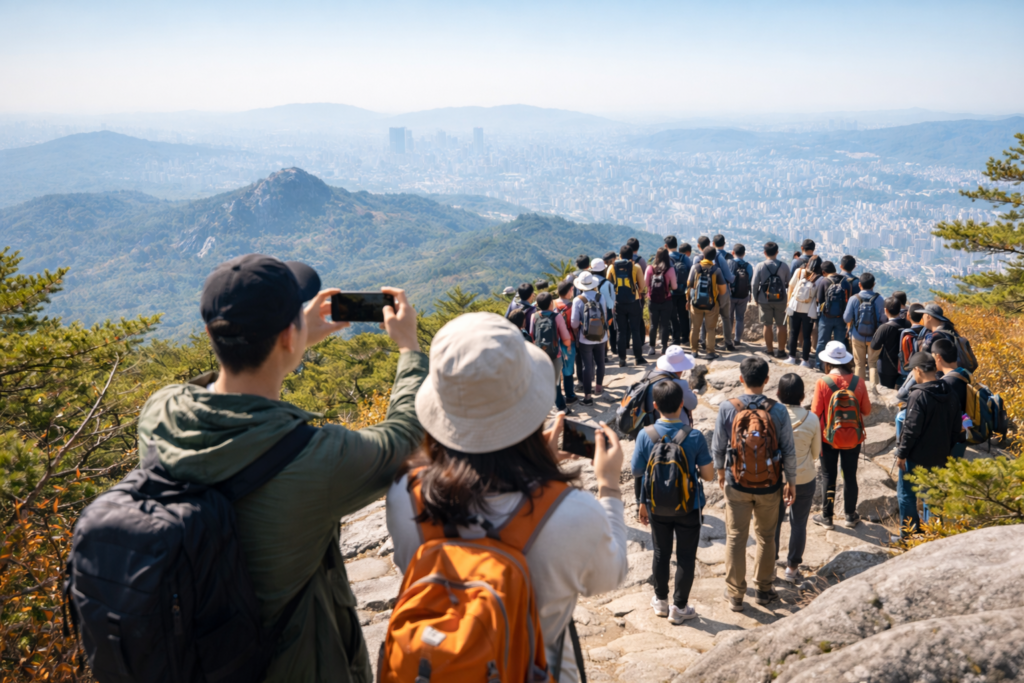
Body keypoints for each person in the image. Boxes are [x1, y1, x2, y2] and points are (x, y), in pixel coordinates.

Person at [137, 254, 425, 683]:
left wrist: (288, 341)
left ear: (209, 333)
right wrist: (409, 348)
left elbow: (217, 386)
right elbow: (405, 436)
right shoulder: (315, 458)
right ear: (289, 335)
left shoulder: (160, 414)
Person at [385, 313, 628, 683]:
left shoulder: (406, 493)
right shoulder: (573, 512)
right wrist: (609, 487)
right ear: (528, 403)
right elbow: (609, 578)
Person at [711, 357, 797, 611]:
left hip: (736, 483)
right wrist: (790, 481)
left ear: (741, 379)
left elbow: (717, 446)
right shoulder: (778, 410)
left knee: (736, 537)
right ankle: (763, 589)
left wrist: (719, 473)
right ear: (767, 380)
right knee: (766, 536)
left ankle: (736, 594)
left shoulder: (729, 408)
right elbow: (789, 451)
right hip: (770, 485)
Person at [633, 381, 714, 624]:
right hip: (689, 506)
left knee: (660, 552)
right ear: (682, 404)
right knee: (686, 556)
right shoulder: (695, 436)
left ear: (655, 406)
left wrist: (642, 502)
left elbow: (637, 470)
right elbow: (709, 475)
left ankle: (660, 601)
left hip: (657, 505)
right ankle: (679, 607)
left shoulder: (645, 434)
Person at [893, 351, 962, 536]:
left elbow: (911, 430)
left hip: (916, 456)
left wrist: (901, 454)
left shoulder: (918, 395)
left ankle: (907, 537)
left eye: (913, 372)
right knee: (933, 496)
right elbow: (957, 427)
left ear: (918, 370)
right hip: (940, 455)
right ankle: (933, 534)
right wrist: (946, 450)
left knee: (906, 494)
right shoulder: (950, 391)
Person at [810, 341, 872, 530]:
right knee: (850, 475)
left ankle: (827, 517)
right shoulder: (858, 381)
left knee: (829, 475)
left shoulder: (823, 382)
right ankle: (849, 515)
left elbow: (815, 412)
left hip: (827, 437)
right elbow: (866, 410)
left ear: (828, 363)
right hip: (853, 437)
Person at [773, 373, 820, 583]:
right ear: (803, 395)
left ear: (778, 394)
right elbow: (815, 454)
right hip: (804, 478)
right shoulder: (812, 418)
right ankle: (792, 569)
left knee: (773, 523)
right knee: (799, 523)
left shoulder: (772, 415)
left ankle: (769, 565)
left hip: (776, 479)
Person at [571, 271, 609, 405]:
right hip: (601, 336)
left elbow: (574, 323)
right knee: (600, 362)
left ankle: (587, 397)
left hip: (585, 338)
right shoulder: (601, 297)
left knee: (587, 366)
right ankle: (598, 388)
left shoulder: (578, 300)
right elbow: (604, 314)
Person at [608, 245, 647, 367]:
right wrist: (638, 293)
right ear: (632, 256)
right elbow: (642, 286)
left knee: (621, 331)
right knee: (635, 330)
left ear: (619, 256)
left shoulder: (612, 267)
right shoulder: (636, 267)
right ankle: (638, 357)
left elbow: (609, 284)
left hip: (619, 302)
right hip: (633, 302)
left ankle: (622, 359)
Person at [686, 246, 728, 361]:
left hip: (695, 303)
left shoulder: (695, 267)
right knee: (710, 328)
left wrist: (688, 301)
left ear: (703, 255)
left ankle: (694, 351)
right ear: (714, 257)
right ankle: (710, 352)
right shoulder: (716, 270)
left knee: (695, 328)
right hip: (712, 304)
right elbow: (723, 291)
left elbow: (689, 284)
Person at [843, 271, 885, 385]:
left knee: (859, 364)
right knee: (873, 364)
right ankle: (874, 392)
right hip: (875, 338)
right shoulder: (880, 299)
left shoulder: (854, 298)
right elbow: (884, 319)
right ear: (874, 284)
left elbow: (846, 318)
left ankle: (858, 390)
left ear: (859, 285)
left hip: (857, 336)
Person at [751, 241, 791, 359]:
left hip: (764, 299)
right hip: (781, 299)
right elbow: (789, 283)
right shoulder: (784, 266)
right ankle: (781, 351)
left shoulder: (760, 265)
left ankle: (769, 351)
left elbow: (754, 284)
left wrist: (755, 298)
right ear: (777, 252)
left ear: (764, 253)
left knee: (767, 325)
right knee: (781, 325)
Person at [933, 338, 970, 460]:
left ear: (938, 357)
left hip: (950, 438)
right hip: (963, 431)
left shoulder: (947, 383)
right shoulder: (964, 373)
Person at [536, 292, 573, 413]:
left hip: (540, 354)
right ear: (551, 303)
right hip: (555, 353)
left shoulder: (534, 317)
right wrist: (567, 346)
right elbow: (566, 338)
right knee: (556, 381)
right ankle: (561, 407)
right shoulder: (557, 317)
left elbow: (532, 335)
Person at [699, 234, 735, 352]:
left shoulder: (698, 258)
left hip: (706, 293)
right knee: (726, 317)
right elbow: (729, 278)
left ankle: (704, 341)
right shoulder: (720, 257)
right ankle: (728, 343)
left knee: (706, 317)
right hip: (721, 292)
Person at [646, 345, 700, 426]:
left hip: (649, 424)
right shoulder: (680, 384)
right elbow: (692, 404)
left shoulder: (650, 375)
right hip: (674, 429)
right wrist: (693, 395)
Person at [785, 255, 823, 367]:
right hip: (809, 310)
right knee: (806, 336)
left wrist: (788, 302)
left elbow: (791, 286)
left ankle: (792, 357)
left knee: (793, 333)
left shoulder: (799, 272)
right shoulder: (820, 278)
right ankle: (805, 360)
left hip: (795, 306)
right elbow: (818, 297)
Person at [815, 261, 852, 370]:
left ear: (823, 272)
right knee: (839, 343)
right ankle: (838, 367)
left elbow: (819, 300)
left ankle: (820, 366)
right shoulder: (846, 281)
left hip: (826, 317)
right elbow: (848, 299)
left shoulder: (824, 281)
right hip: (841, 318)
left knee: (822, 342)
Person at [646, 246, 679, 355]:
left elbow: (646, 284)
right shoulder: (670, 269)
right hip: (667, 300)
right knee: (665, 325)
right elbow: (674, 287)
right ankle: (664, 347)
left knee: (653, 325)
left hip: (653, 300)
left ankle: (652, 348)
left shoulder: (650, 268)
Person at [871, 297, 909, 389]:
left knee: (886, 392)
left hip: (887, 366)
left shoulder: (885, 327)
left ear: (886, 310)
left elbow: (874, 346)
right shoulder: (907, 324)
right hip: (905, 365)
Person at [554, 281, 579, 408]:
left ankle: (559, 396)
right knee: (568, 369)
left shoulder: (552, 303)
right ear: (570, 290)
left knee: (558, 368)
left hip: (554, 341)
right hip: (569, 340)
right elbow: (574, 324)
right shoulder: (572, 305)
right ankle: (570, 395)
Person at [665, 237, 692, 347]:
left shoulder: (665, 258)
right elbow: (691, 273)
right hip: (682, 291)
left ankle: (674, 336)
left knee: (671, 315)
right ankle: (685, 336)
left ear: (666, 246)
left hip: (670, 292)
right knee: (683, 315)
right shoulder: (684, 257)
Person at [591, 257, 617, 361]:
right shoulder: (608, 283)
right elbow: (612, 302)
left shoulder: (588, 282)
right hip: (605, 311)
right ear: (603, 270)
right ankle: (604, 355)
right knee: (604, 332)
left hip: (591, 311)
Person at [728, 243, 754, 347]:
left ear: (732, 253)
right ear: (744, 253)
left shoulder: (729, 263)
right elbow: (750, 280)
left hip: (731, 295)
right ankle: (737, 340)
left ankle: (728, 339)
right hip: (743, 295)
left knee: (728, 317)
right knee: (740, 318)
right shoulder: (749, 266)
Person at [602, 251, 620, 355]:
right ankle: (613, 347)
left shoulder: (600, 270)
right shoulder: (613, 268)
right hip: (610, 300)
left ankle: (604, 349)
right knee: (612, 326)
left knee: (603, 327)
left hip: (599, 301)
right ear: (612, 259)